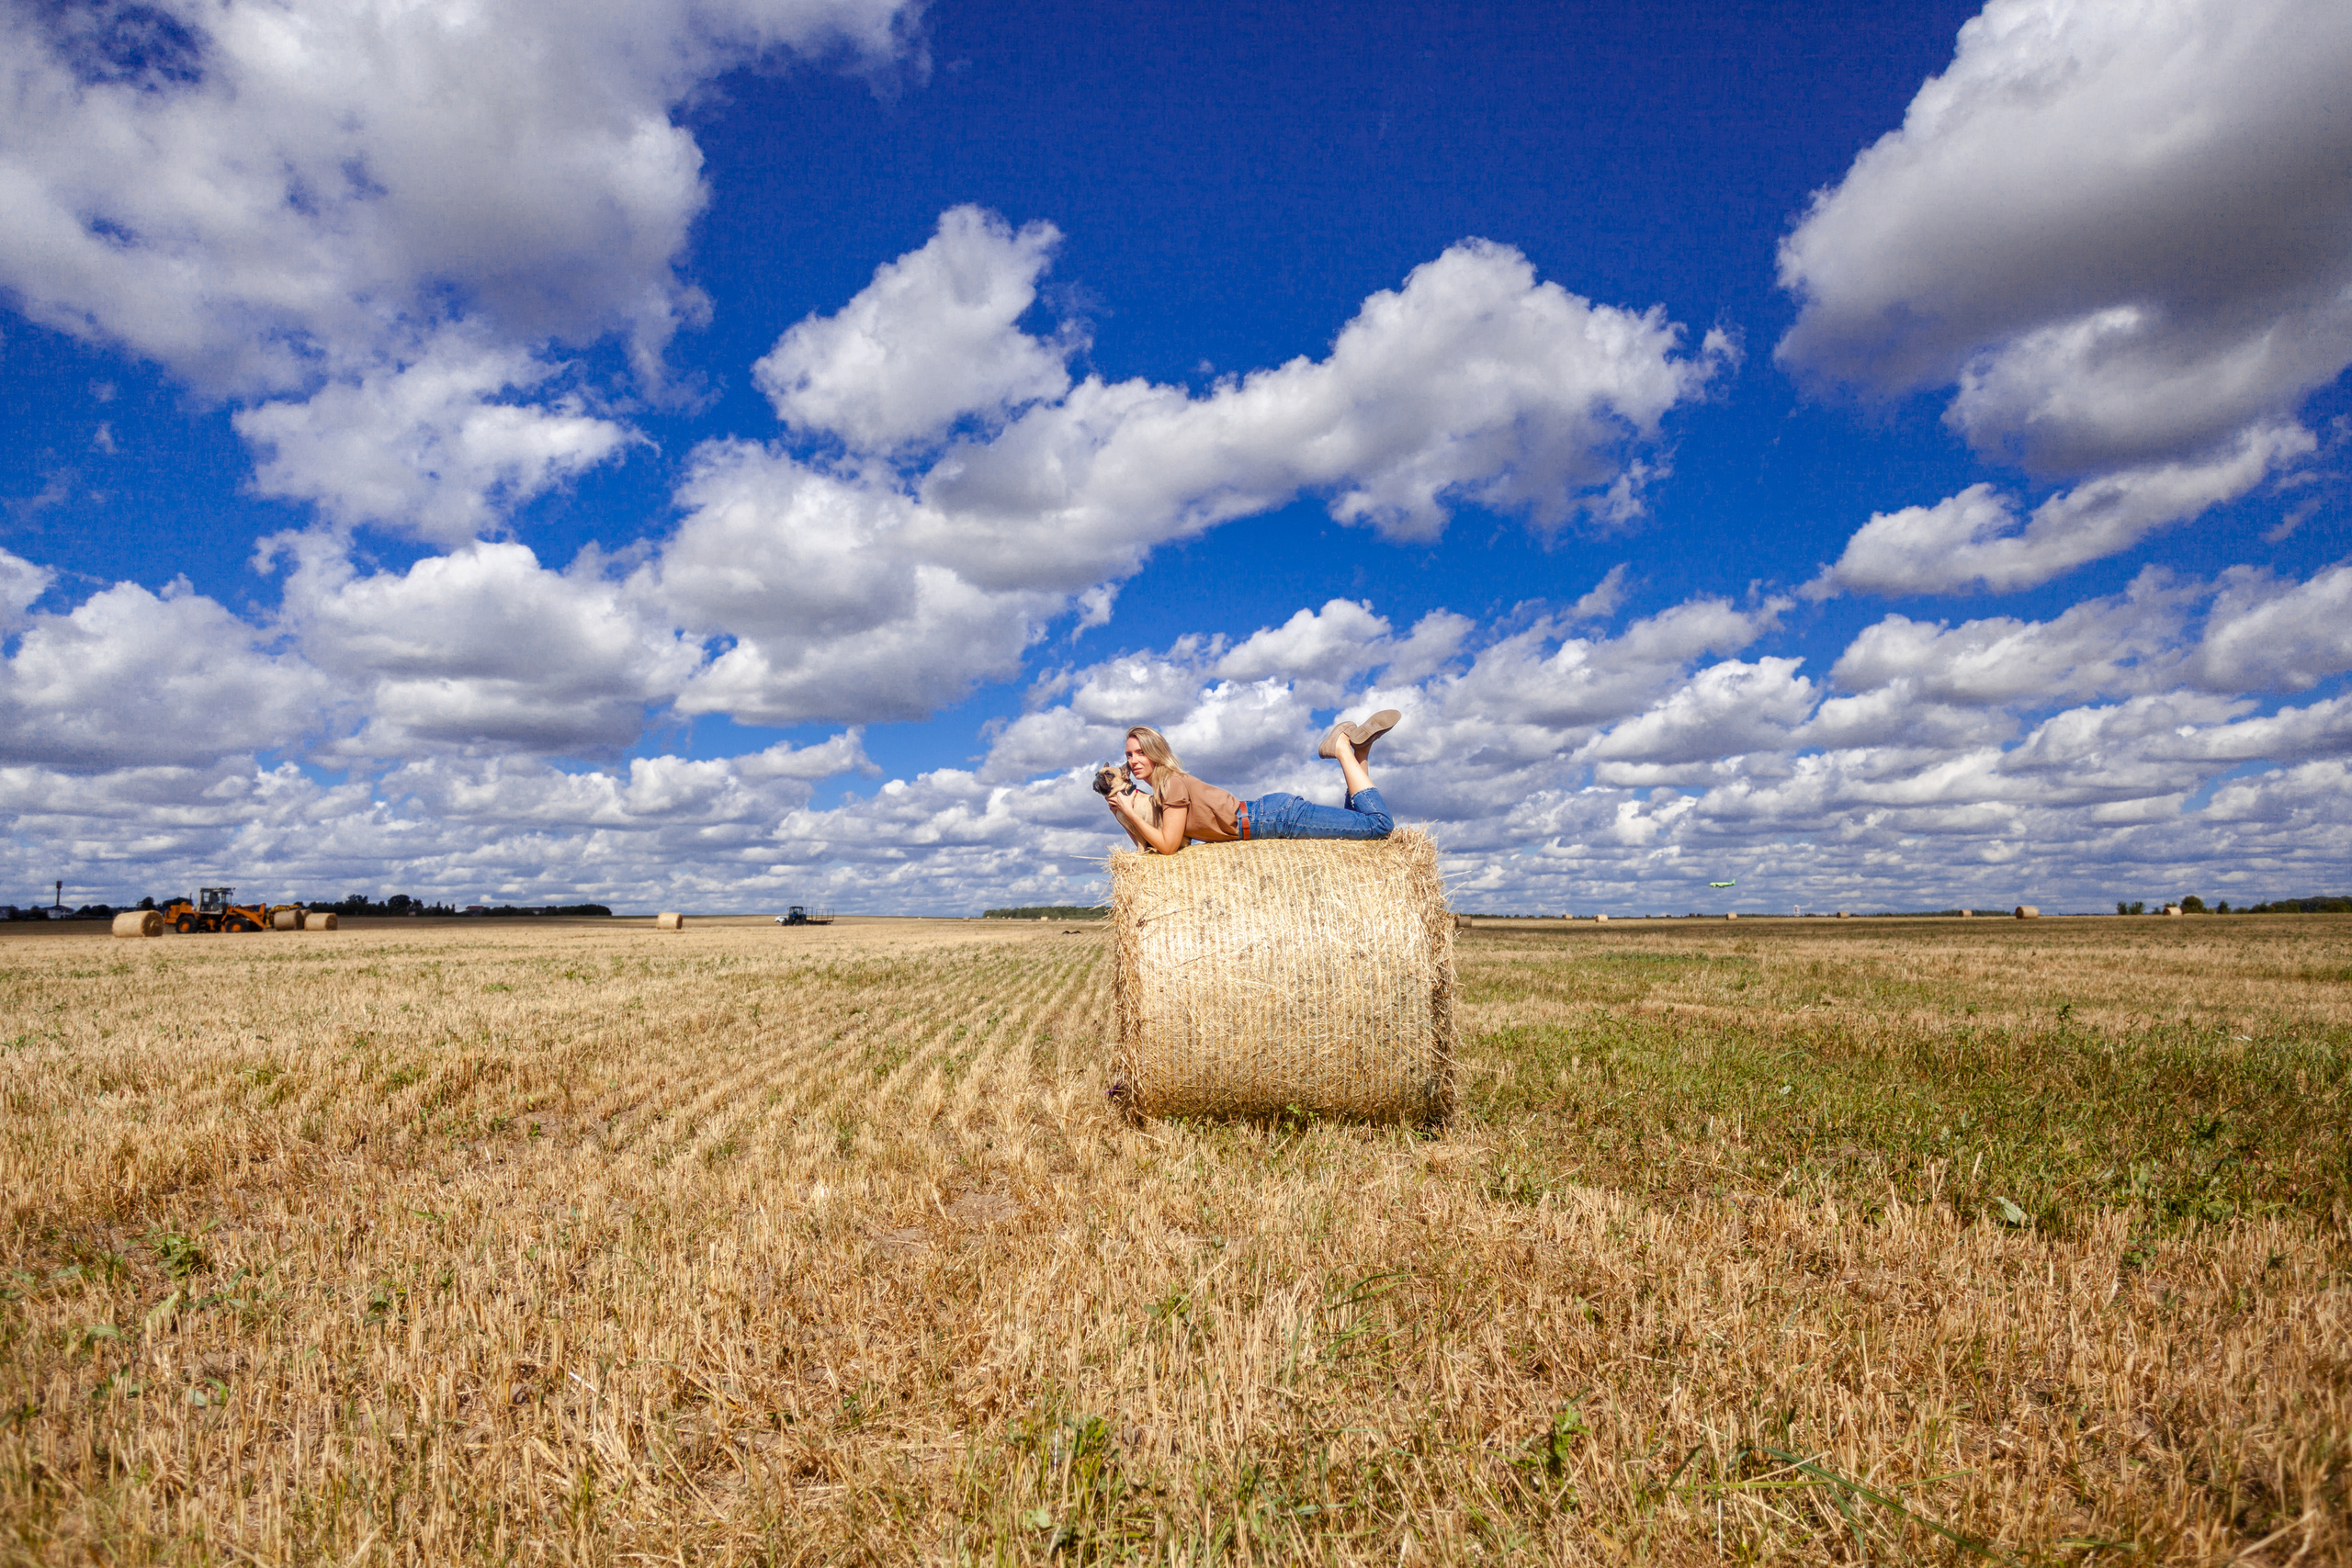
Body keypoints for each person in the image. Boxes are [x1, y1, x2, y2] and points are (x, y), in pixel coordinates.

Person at [1101, 712, 1400, 853]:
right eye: (1129, 754)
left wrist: (1127, 810)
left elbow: (1167, 846)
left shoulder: (1171, 785)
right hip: (1265, 817)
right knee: (1361, 827)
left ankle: (1341, 748)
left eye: (1141, 752)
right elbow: (1161, 843)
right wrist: (1123, 813)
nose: (1134, 760)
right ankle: (1360, 754)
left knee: (1379, 825)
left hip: (1275, 818)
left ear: (1156, 753)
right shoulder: (1160, 790)